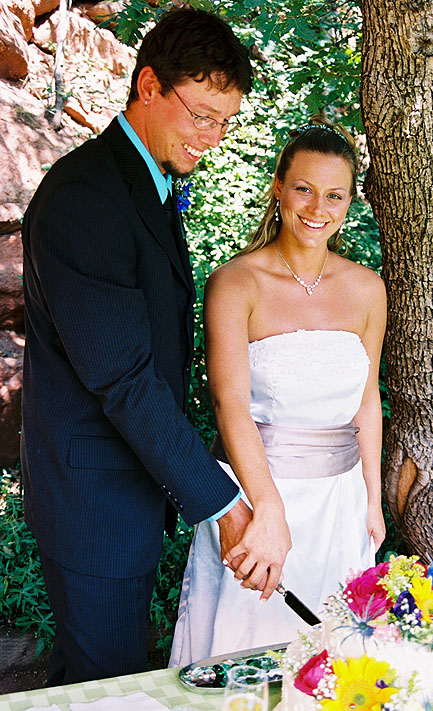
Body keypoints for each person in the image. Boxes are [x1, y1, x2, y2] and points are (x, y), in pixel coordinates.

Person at [21, 7, 291, 686]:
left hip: (123, 492)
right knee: (106, 686)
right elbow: (126, 379)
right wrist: (225, 504)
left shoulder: (145, 180)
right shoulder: (86, 195)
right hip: (94, 505)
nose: (212, 138)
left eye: (225, 122)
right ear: (148, 85)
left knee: (90, 681)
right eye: (201, 115)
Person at [169, 115, 387, 666]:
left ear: (350, 202)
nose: (318, 208)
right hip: (256, 497)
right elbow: (230, 405)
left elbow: (366, 400)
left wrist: (372, 501)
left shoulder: (368, 289)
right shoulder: (235, 282)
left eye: (335, 195)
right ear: (278, 188)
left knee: (336, 661)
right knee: (244, 655)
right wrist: (266, 510)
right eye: (304, 189)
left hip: (340, 505)